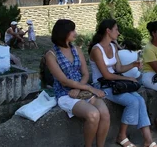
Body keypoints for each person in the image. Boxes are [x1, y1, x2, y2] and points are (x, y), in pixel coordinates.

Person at [89, 19, 157, 147]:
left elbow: (118, 69)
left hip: (114, 82)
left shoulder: (113, 46)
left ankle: (148, 140)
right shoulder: (96, 50)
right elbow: (106, 75)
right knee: (133, 102)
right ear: (108, 31)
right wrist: (128, 79)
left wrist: (133, 64)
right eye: (116, 29)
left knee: (140, 100)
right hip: (102, 85)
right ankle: (121, 136)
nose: (119, 33)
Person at [45, 19, 109, 147]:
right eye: (72, 30)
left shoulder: (77, 50)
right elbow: (64, 81)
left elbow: (85, 73)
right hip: (65, 93)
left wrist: (81, 89)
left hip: (81, 90)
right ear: (63, 33)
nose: (75, 33)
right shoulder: (51, 55)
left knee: (105, 113)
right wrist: (88, 88)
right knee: (93, 114)